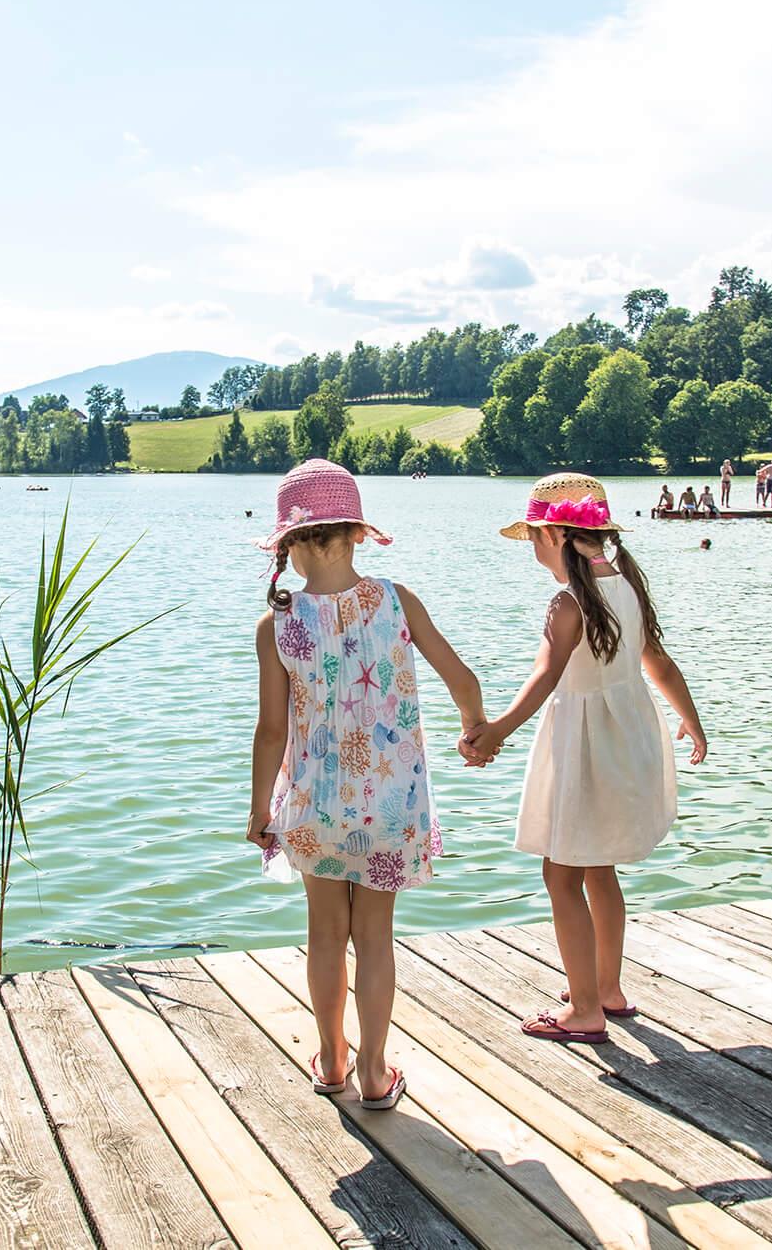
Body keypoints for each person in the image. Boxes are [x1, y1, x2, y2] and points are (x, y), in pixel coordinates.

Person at [249, 460, 486, 1109]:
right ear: (357, 532)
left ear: (289, 544)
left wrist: (258, 809)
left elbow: (271, 731)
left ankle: (331, 1061)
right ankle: (376, 1072)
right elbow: (462, 679)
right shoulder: (396, 600)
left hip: (314, 808)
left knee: (326, 934)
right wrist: (474, 730)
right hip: (390, 806)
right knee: (375, 937)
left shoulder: (277, 624)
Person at [464, 473, 707, 1042]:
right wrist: (691, 720)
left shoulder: (568, 602)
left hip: (584, 747)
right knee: (600, 868)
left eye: (533, 537)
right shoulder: (627, 586)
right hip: (627, 739)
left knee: (561, 874)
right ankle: (607, 988)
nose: (531, 547)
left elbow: (545, 677)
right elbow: (659, 664)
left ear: (553, 536)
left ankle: (584, 1012)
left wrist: (496, 730)